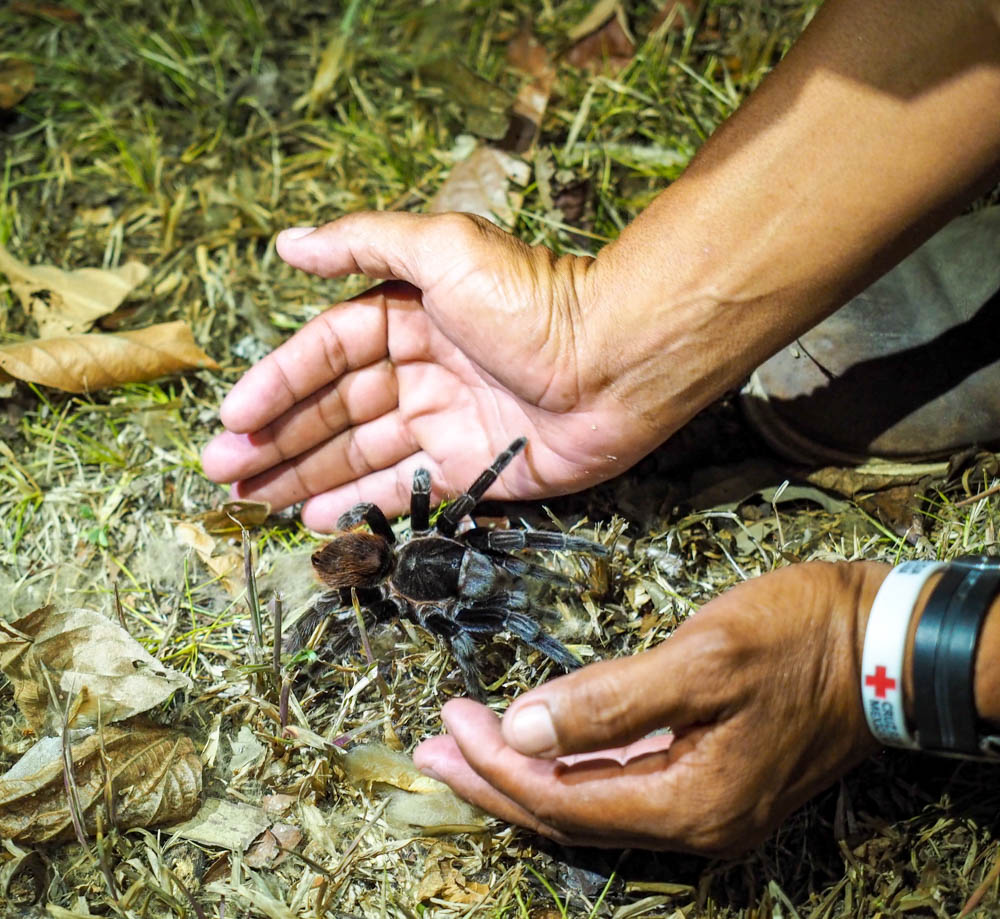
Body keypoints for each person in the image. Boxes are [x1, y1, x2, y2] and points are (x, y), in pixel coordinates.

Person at [201, 0, 1000, 854]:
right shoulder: (398, 567)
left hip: (399, 557)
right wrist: (601, 337)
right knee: (498, 617)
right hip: (388, 566)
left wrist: (876, 654)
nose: (480, 557)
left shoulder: (438, 536)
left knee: (495, 584)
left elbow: (467, 525)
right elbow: (466, 577)